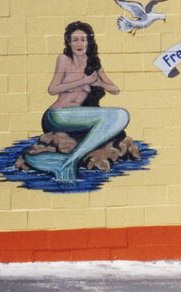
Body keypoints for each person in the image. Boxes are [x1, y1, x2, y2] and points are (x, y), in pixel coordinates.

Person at [24, 21, 130, 181]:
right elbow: (52, 89)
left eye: (83, 39)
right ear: (69, 42)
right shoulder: (64, 60)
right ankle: (72, 159)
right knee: (119, 115)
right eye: (75, 40)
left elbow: (115, 89)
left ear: (89, 42)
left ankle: (70, 160)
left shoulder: (94, 64)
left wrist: (99, 83)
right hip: (56, 116)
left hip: (76, 119)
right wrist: (83, 81)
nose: (79, 44)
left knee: (121, 115)